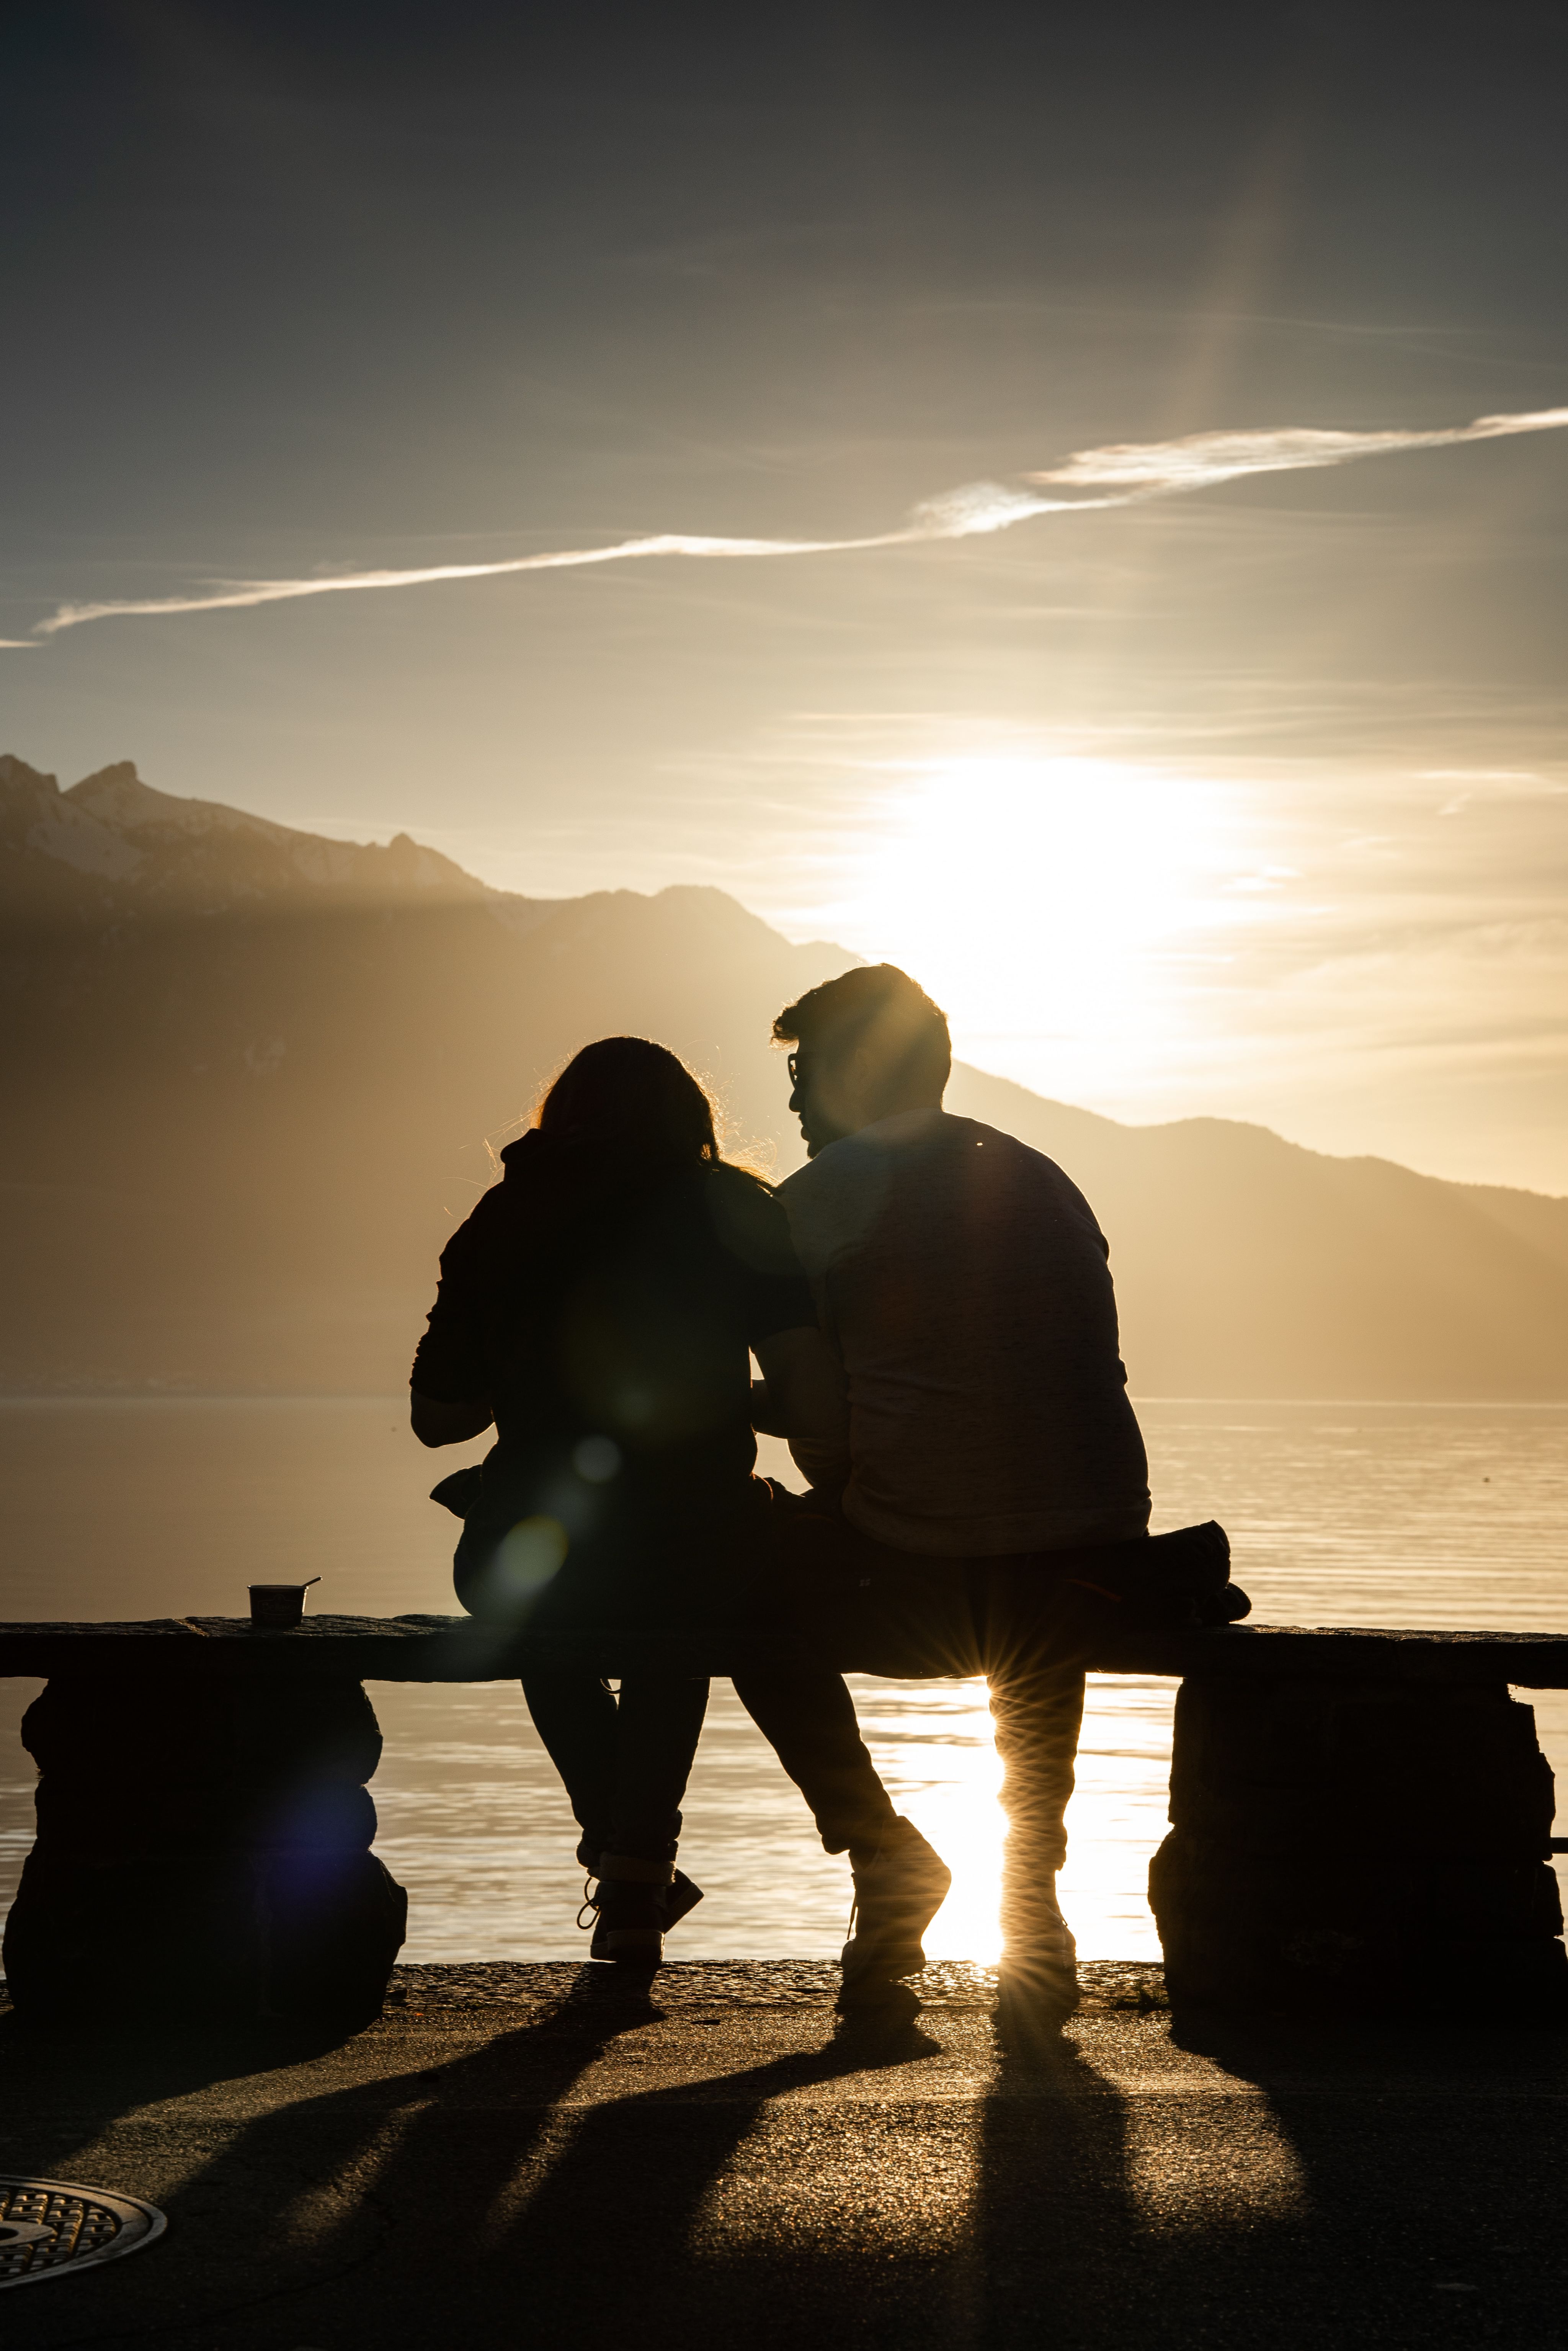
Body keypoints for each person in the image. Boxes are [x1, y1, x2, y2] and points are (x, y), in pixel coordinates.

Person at [743, 962, 1168, 2016]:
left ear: (853, 1071)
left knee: (737, 1582)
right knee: (1026, 1539)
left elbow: (829, 1424)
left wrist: (815, 1475)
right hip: (1100, 1558)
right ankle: (1035, 1888)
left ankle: (879, 1844)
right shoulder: (1042, 1174)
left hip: (930, 1574)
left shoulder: (815, 1200)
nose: (793, 1100)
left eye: (804, 1073)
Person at [409, 1035, 861, 1968]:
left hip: (531, 1544)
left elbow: (440, 1420)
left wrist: (535, 1367)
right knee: (684, 1608)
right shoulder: (736, 1209)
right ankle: (631, 1877)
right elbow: (812, 1401)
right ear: (691, 1121)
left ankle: (625, 1869)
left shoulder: (499, 1218)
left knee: (534, 1609)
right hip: (699, 1538)